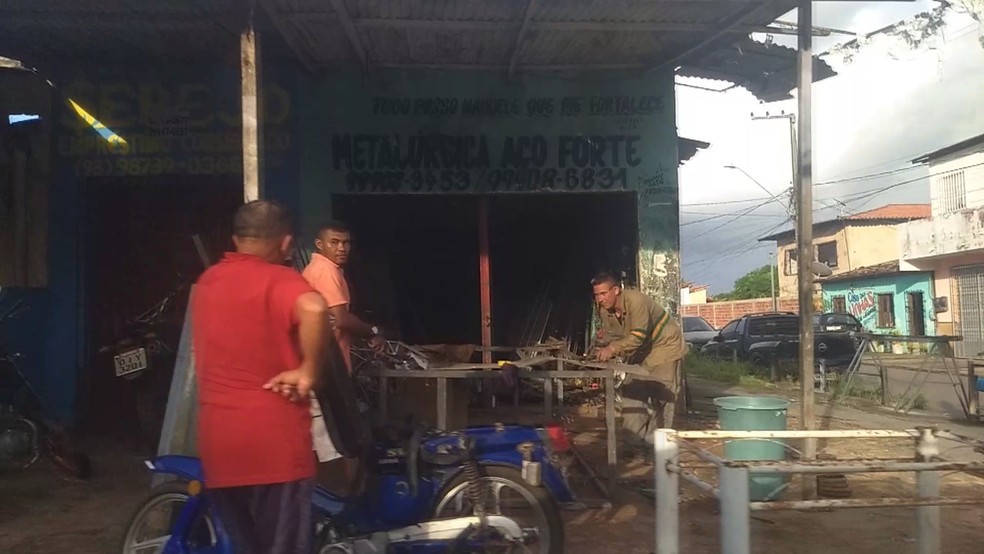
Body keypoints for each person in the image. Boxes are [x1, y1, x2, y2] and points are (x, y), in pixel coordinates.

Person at [192, 200, 330, 554]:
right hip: (274, 448)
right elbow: (315, 307)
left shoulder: (208, 281)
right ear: (285, 243)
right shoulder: (281, 279)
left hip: (220, 445)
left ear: (236, 238)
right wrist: (308, 370)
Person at [301, 220, 383, 489]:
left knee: (330, 443)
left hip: (325, 366)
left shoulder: (321, 269)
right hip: (327, 370)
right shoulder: (326, 271)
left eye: (346, 243)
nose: (342, 248)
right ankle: (339, 503)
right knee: (340, 443)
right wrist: (372, 330)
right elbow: (342, 318)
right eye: (334, 242)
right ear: (319, 244)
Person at [590, 271, 686, 454]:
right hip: (642, 350)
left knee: (663, 396)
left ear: (616, 290)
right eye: (596, 295)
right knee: (632, 391)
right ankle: (634, 442)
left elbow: (638, 336)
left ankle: (658, 447)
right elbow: (614, 336)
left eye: (603, 293)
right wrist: (603, 345)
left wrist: (612, 348)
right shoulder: (604, 310)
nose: (600, 299)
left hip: (665, 346)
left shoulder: (636, 301)